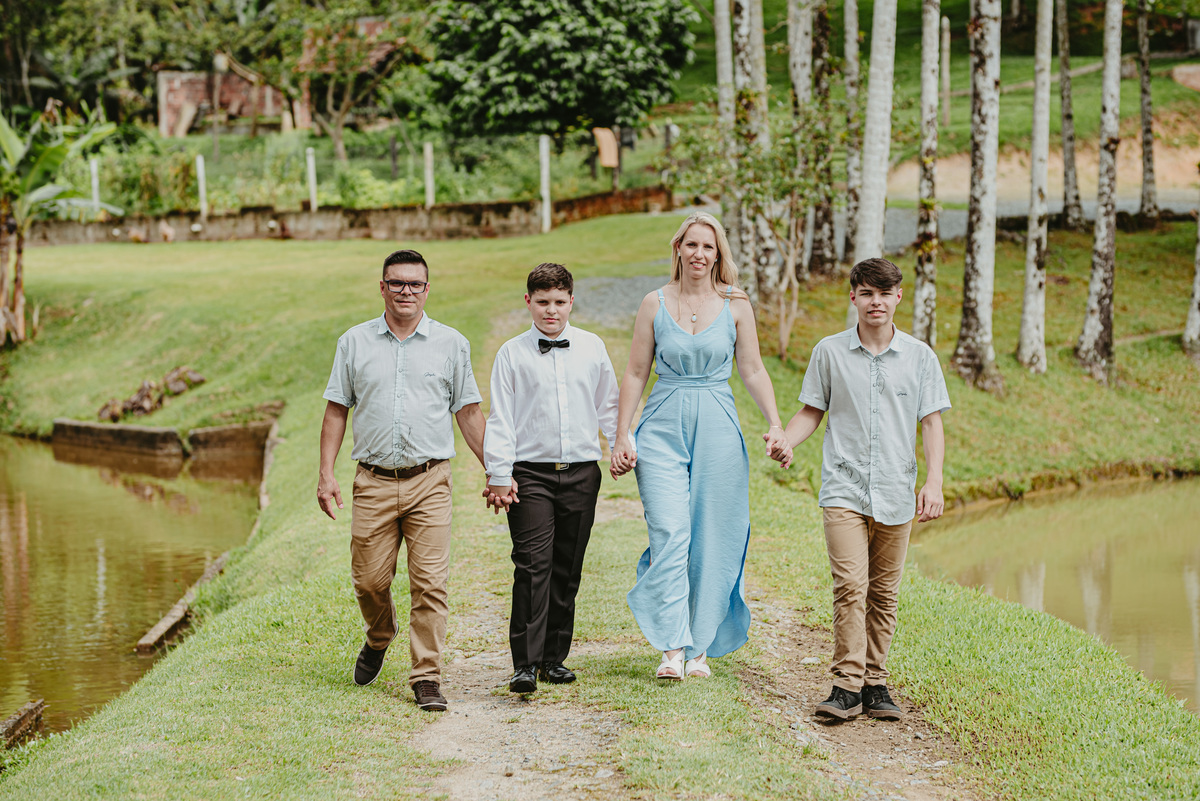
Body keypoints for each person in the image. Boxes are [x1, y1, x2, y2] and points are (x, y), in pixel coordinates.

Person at [610, 212, 792, 681]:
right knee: (670, 532)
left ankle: (699, 648)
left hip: (718, 424)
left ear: (718, 254)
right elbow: (636, 371)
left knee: (713, 535)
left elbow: (752, 369)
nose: (699, 253)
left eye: (708, 246)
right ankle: (672, 647)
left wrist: (776, 424)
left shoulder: (736, 304)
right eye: (691, 244)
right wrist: (622, 434)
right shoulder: (653, 303)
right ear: (678, 248)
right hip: (662, 425)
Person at [317, 249, 487, 713]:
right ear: (383, 288)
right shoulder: (354, 342)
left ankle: (426, 675)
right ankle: (379, 634)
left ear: (427, 290)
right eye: (397, 283)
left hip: (430, 480)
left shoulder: (451, 343)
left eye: (415, 284)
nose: (406, 291)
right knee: (369, 581)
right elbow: (336, 409)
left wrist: (497, 470)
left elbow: (468, 412)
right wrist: (326, 474)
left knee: (430, 583)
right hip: (372, 481)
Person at [781, 257, 950, 722]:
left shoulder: (920, 357)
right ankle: (846, 686)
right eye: (867, 293)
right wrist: (787, 441)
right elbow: (812, 411)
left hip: (897, 489)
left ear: (898, 297)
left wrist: (934, 481)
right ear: (853, 297)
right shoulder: (829, 352)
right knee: (851, 585)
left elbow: (931, 422)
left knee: (884, 593)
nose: (876, 302)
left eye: (885, 293)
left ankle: (876, 683)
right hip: (844, 487)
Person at [484, 263, 620, 694]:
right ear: (528, 302)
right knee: (531, 565)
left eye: (559, 302)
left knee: (567, 566)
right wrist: (499, 473)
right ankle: (524, 665)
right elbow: (502, 418)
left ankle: (553, 658)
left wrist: (620, 445)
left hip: (582, 472)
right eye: (542, 302)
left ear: (571, 302)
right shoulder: (511, 354)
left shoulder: (592, 347)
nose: (551, 310)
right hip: (530, 475)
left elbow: (609, 405)